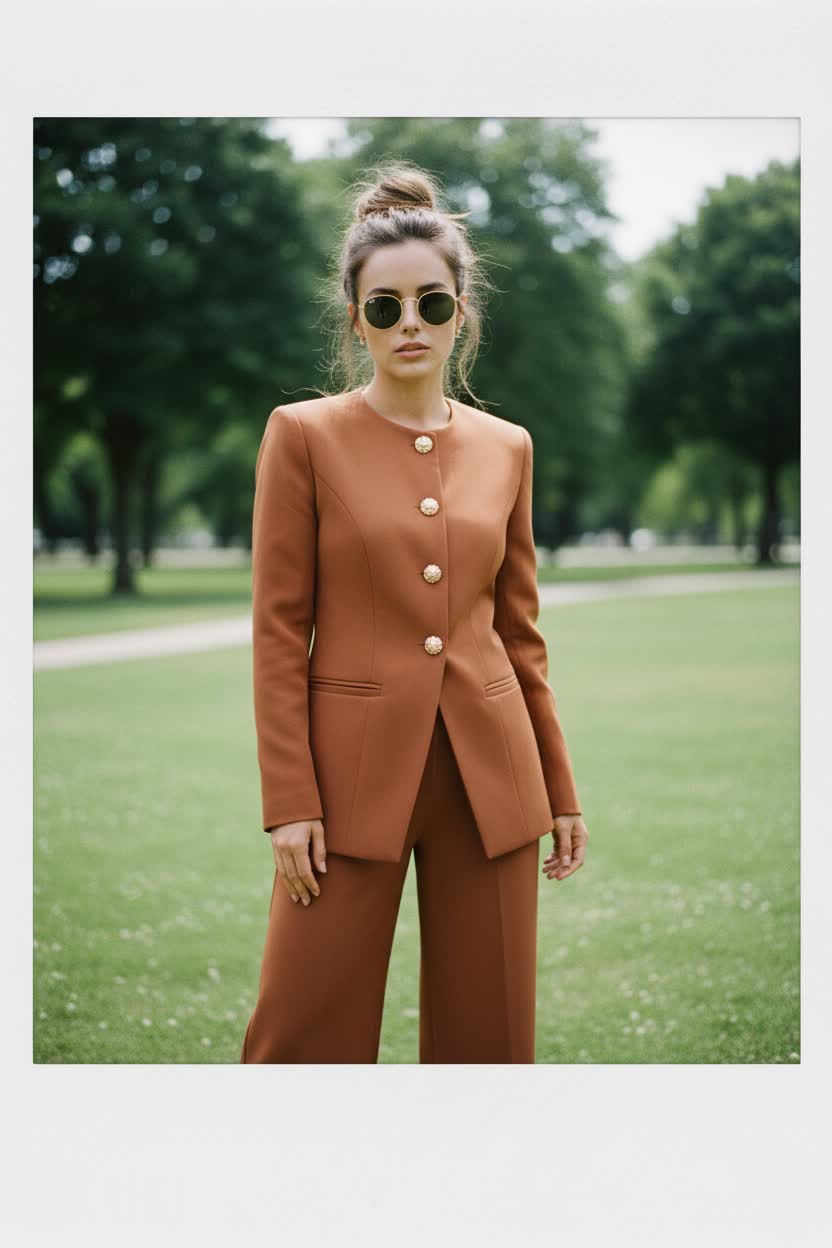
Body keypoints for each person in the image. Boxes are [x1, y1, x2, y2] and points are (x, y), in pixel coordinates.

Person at [240, 160, 589, 1064]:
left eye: (432, 304)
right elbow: (279, 632)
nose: (410, 324)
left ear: (461, 313)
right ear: (356, 317)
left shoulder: (509, 447)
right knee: (302, 1038)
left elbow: (520, 634)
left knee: (491, 1041)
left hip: (494, 781)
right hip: (344, 785)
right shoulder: (302, 434)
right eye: (385, 305)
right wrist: (288, 802)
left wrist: (559, 788)